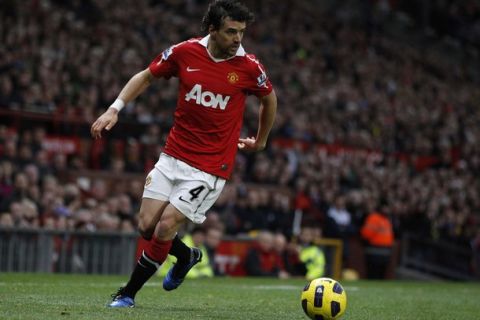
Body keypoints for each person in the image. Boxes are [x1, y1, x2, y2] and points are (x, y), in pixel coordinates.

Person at [90, 0, 277, 308]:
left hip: (210, 166)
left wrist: (261, 140)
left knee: (165, 227)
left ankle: (127, 294)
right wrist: (114, 110)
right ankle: (187, 255)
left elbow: (269, 100)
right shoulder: (184, 52)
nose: (238, 39)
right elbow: (146, 75)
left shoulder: (248, 67)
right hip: (173, 156)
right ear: (212, 29)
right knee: (146, 227)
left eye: (242, 32)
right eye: (231, 31)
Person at [360, 208, 394, 279]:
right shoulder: (374, 218)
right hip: (374, 251)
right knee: (373, 274)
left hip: (384, 252)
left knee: (380, 274)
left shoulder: (386, 219)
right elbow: (366, 234)